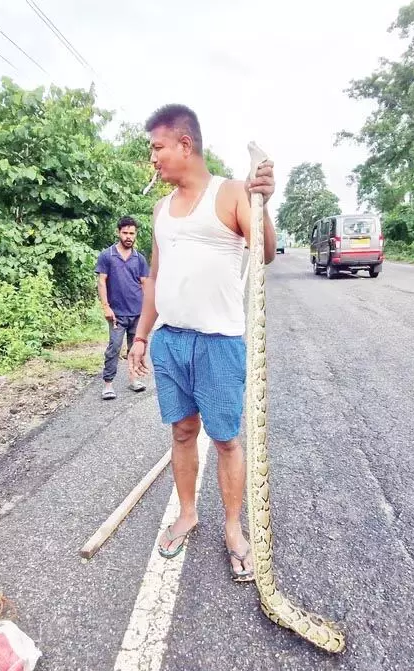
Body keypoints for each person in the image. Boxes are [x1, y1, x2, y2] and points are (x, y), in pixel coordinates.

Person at [128, 104, 277, 581]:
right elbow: (154, 278)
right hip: (171, 341)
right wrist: (141, 336)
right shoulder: (159, 210)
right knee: (181, 432)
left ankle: (234, 527)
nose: (153, 158)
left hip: (219, 343)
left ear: (184, 145)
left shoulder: (230, 193)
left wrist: (263, 205)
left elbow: (266, 253)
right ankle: (188, 513)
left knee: (227, 439)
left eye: (157, 148)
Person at [96, 215, 150, 400]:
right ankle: (108, 384)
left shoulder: (139, 258)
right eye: (125, 233)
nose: (128, 236)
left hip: (137, 312)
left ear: (135, 235)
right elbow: (101, 282)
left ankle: (134, 379)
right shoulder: (107, 255)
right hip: (117, 314)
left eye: (132, 233)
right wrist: (106, 307)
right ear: (118, 233)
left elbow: (145, 284)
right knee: (114, 348)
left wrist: (147, 311)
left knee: (135, 348)